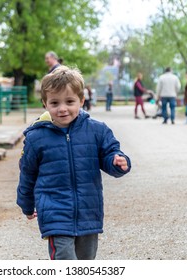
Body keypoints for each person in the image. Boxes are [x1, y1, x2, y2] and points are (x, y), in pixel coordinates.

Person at [17, 66, 131, 260]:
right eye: (54, 103)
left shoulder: (96, 130)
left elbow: (110, 153)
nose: (62, 108)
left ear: (82, 101)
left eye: (69, 101)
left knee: (86, 260)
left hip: (88, 210)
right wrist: (26, 205)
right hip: (54, 212)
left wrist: (117, 161)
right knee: (65, 258)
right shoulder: (36, 138)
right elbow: (28, 174)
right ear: (45, 103)